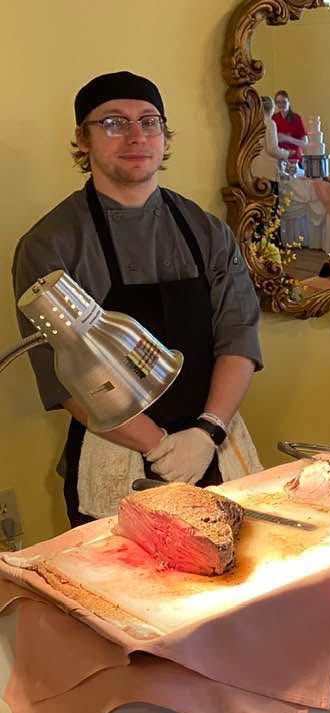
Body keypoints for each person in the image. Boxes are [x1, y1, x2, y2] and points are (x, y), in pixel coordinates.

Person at [12, 71, 263, 527]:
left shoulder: (206, 231)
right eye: (113, 122)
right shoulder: (50, 245)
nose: (136, 136)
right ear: (82, 138)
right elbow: (65, 379)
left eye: (149, 122)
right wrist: (160, 447)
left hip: (216, 443)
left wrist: (207, 432)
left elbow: (238, 337)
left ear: (164, 136)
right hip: (118, 455)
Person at [251, 95, 290, 189]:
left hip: (253, 170)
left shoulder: (252, 123)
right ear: (272, 109)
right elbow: (272, 149)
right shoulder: (270, 123)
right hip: (267, 173)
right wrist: (287, 154)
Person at [272, 90, 307, 165]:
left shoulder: (296, 118)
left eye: (284, 102)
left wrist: (287, 138)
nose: (281, 104)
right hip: (279, 159)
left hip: (294, 160)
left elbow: (305, 143)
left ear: (289, 102)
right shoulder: (274, 118)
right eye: (278, 102)